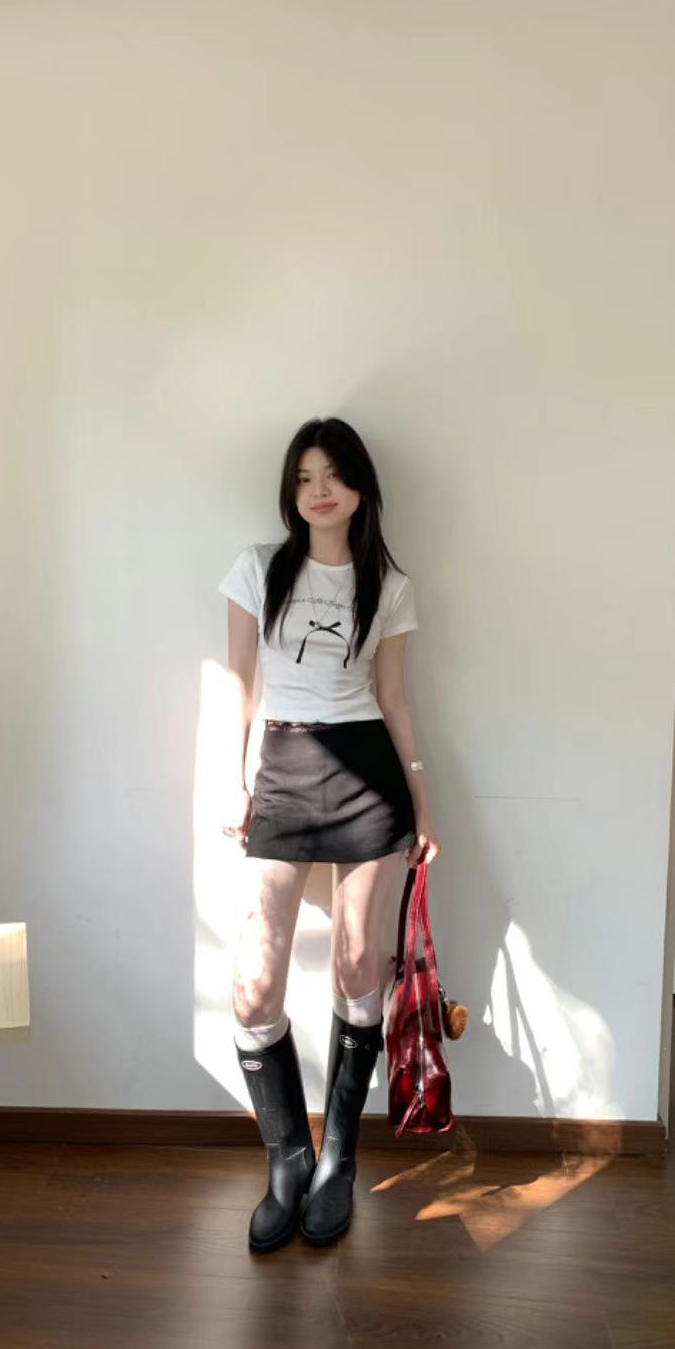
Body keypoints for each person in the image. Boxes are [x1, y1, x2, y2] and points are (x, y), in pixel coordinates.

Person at [217, 415, 441, 1253]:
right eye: (305, 476)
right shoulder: (258, 569)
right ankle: (287, 1160)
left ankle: (339, 1158)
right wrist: (232, 779)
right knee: (254, 984)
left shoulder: (389, 584)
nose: (319, 490)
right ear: (292, 489)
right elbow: (238, 683)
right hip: (282, 768)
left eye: (334, 475)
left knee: (357, 964)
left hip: (367, 777)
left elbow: (395, 698)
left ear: (358, 487)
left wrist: (423, 804)